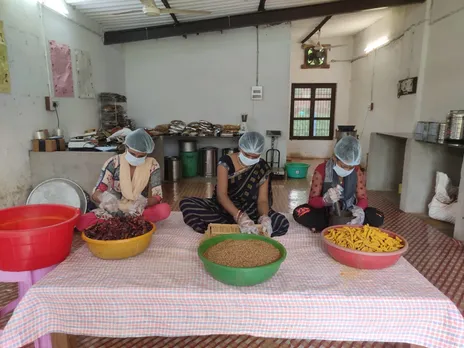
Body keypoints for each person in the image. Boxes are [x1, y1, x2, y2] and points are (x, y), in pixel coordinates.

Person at [180, 131, 289, 237]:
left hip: (251, 211)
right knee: (187, 204)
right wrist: (240, 217)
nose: (251, 158)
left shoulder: (262, 167)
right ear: (241, 148)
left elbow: (262, 200)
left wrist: (264, 217)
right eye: (247, 155)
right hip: (224, 208)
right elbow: (221, 195)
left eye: (255, 156)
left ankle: (230, 230)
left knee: (281, 223)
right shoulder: (225, 162)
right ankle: (245, 229)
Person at [76, 128, 171, 231]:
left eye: (141, 156)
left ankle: (122, 223)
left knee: (164, 210)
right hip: (114, 210)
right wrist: (103, 197)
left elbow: (158, 196)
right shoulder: (113, 162)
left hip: (137, 210)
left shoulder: (152, 164)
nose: (136, 158)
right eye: (133, 154)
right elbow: (96, 193)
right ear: (126, 147)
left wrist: (145, 202)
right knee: (81, 222)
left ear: (146, 154)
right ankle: (128, 222)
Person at [293, 136, 384, 231]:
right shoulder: (321, 169)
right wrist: (325, 200)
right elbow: (312, 201)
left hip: (349, 212)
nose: (347, 170)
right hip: (326, 213)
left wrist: (359, 210)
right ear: (334, 158)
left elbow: (363, 198)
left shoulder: (357, 171)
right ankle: (336, 224)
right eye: (343, 166)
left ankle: (345, 224)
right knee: (299, 212)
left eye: (351, 167)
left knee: (378, 216)